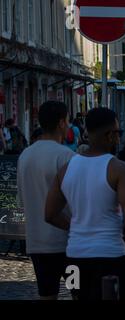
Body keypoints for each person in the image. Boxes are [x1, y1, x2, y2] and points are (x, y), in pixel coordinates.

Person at [45, 108, 125, 300]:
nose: (118, 138)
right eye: (118, 133)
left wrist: (76, 228)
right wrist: (124, 232)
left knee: (79, 298)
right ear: (110, 136)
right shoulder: (118, 169)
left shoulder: (66, 169)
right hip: (111, 255)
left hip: (74, 257)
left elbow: (50, 214)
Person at [17, 101, 75, 300]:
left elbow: (21, 199)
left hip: (37, 242)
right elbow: (76, 199)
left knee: (47, 294)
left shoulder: (25, 155)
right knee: (78, 291)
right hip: (66, 243)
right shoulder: (66, 156)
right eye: (67, 120)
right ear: (61, 123)